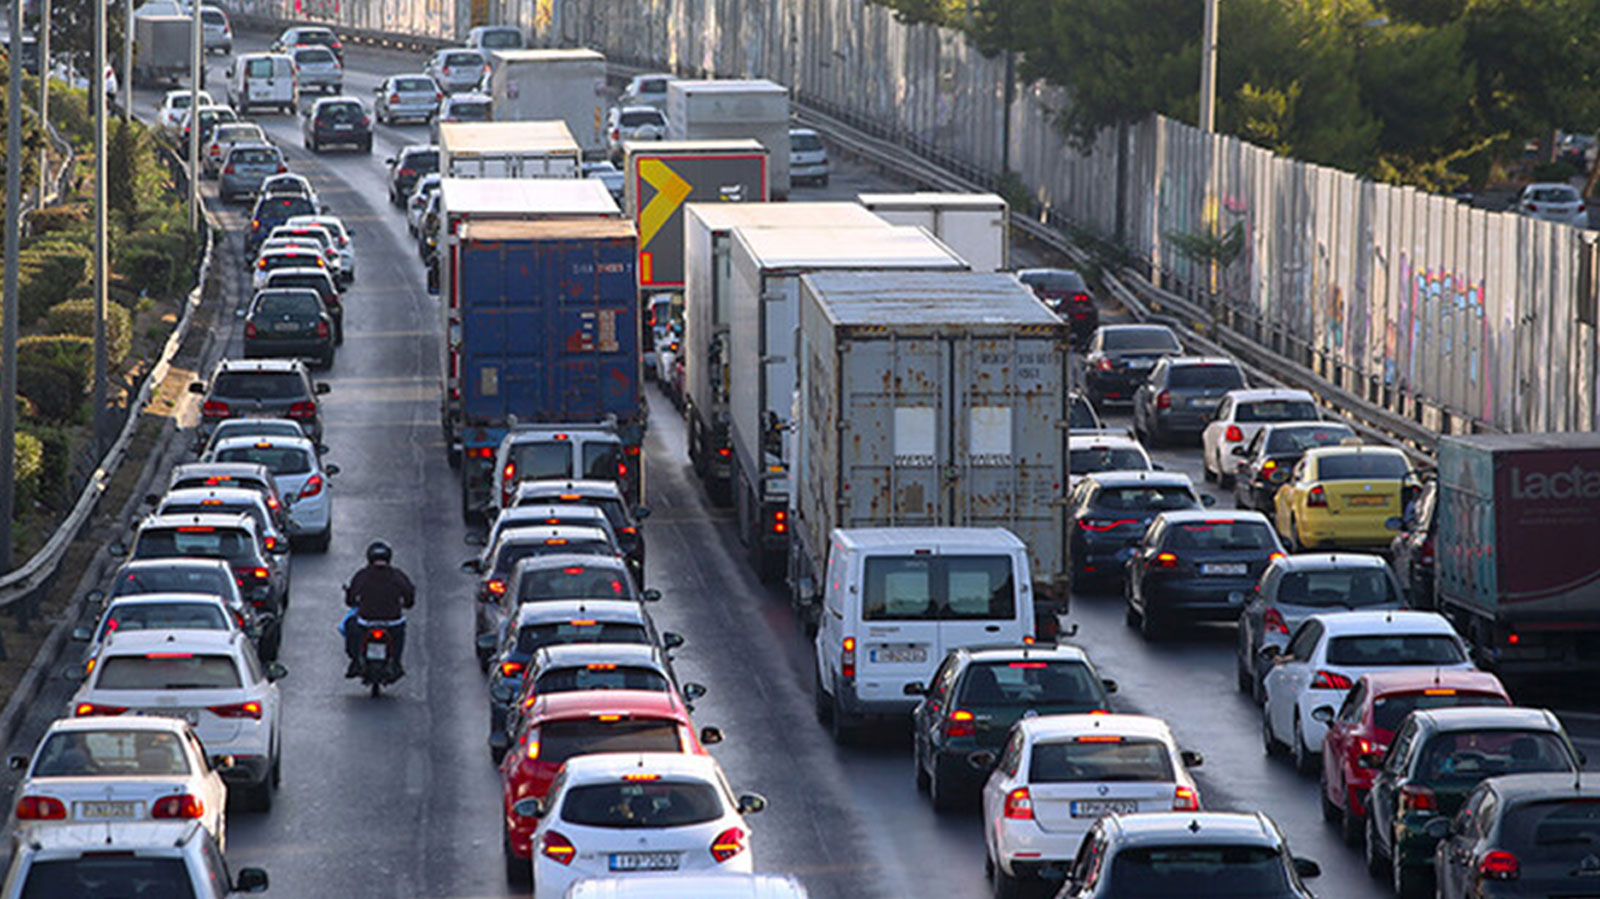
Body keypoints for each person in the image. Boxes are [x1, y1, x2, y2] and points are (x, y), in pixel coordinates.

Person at [344, 540, 415, 678]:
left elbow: (351, 598)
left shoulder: (362, 575)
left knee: (350, 625)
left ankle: (355, 662)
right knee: (399, 633)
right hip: (392, 622)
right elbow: (409, 596)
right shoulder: (398, 576)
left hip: (366, 622)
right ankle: (396, 662)